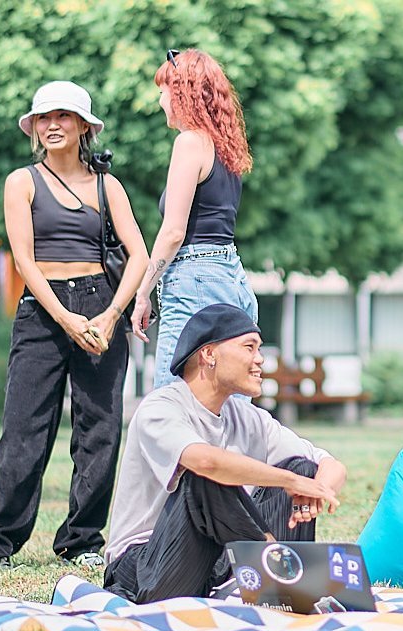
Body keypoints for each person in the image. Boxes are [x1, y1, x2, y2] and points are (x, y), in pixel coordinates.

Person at [0, 81, 152, 572]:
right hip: (43, 312)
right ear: (34, 128)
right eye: (44, 118)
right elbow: (24, 260)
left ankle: (83, 540)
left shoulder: (108, 186)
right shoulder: (21, 182)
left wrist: (111, 315)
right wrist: (65, 318)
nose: (53, 126)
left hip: (100, 306)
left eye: (64, 117)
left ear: (84, 126)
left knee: (100, 429)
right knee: (24, 428)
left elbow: (140, 256)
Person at [102, 304, 347, 603]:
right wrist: (290, 482)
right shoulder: (161, 407)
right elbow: (205, 462)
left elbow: (331, 465)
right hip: (145, 568)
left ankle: (285, 595)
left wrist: (317, 488)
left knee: (302, 469)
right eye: (249, 347)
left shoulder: (247, 417)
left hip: (212, 565)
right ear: (209, 354)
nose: (260, 359)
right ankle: (276, 567)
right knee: (206, 476)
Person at [129, 49, 258, 390]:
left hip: (195, 280)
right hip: (232, 277)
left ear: (182, 93)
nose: (160, 101)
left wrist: (142, 293)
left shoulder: (189, 143)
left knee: (173, 402)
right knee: (228, 405)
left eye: (163, 91)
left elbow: (173, 231)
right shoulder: (226, 149)